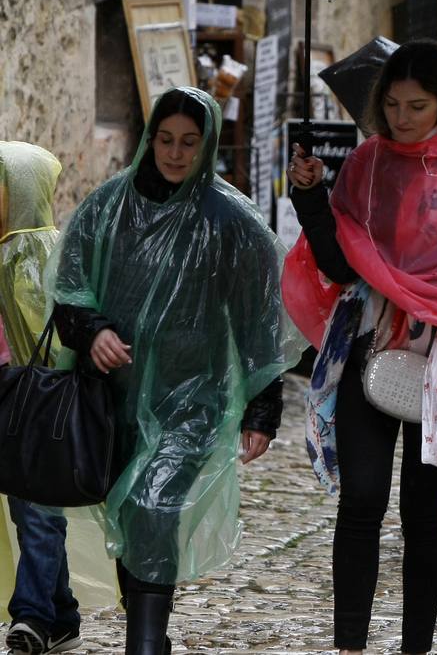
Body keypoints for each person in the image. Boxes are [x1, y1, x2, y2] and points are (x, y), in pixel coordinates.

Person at [283, 40, 437, 654]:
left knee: (423, 514)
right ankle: (350, 646)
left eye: (417, 105)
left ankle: (417, 646)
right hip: (371, 345)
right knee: (361, 499)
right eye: (391, 104)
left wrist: (430, 286)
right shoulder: (366, 165)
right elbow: (338, 261)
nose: (402, 117)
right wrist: (310, 197)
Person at [49, 88, 298, 655]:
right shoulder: (107, 207)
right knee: (126, 516)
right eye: (165, 140)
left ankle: (144, 643)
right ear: (149, 139)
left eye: (190, 142)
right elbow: (68, 294)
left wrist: (263, 405)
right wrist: (94, 333)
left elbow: (260, 318)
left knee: (153, 505)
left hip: (192, 399)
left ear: (207, 145)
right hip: (110, 399)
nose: (176, 153)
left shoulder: (231, 221)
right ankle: (149, 634)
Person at [0, 142, 82, 655]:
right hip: (6, 400)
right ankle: (63, 613)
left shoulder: (39, 257)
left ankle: (30, 618)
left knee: (38, 511)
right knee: (24, 508)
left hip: (38, 399)